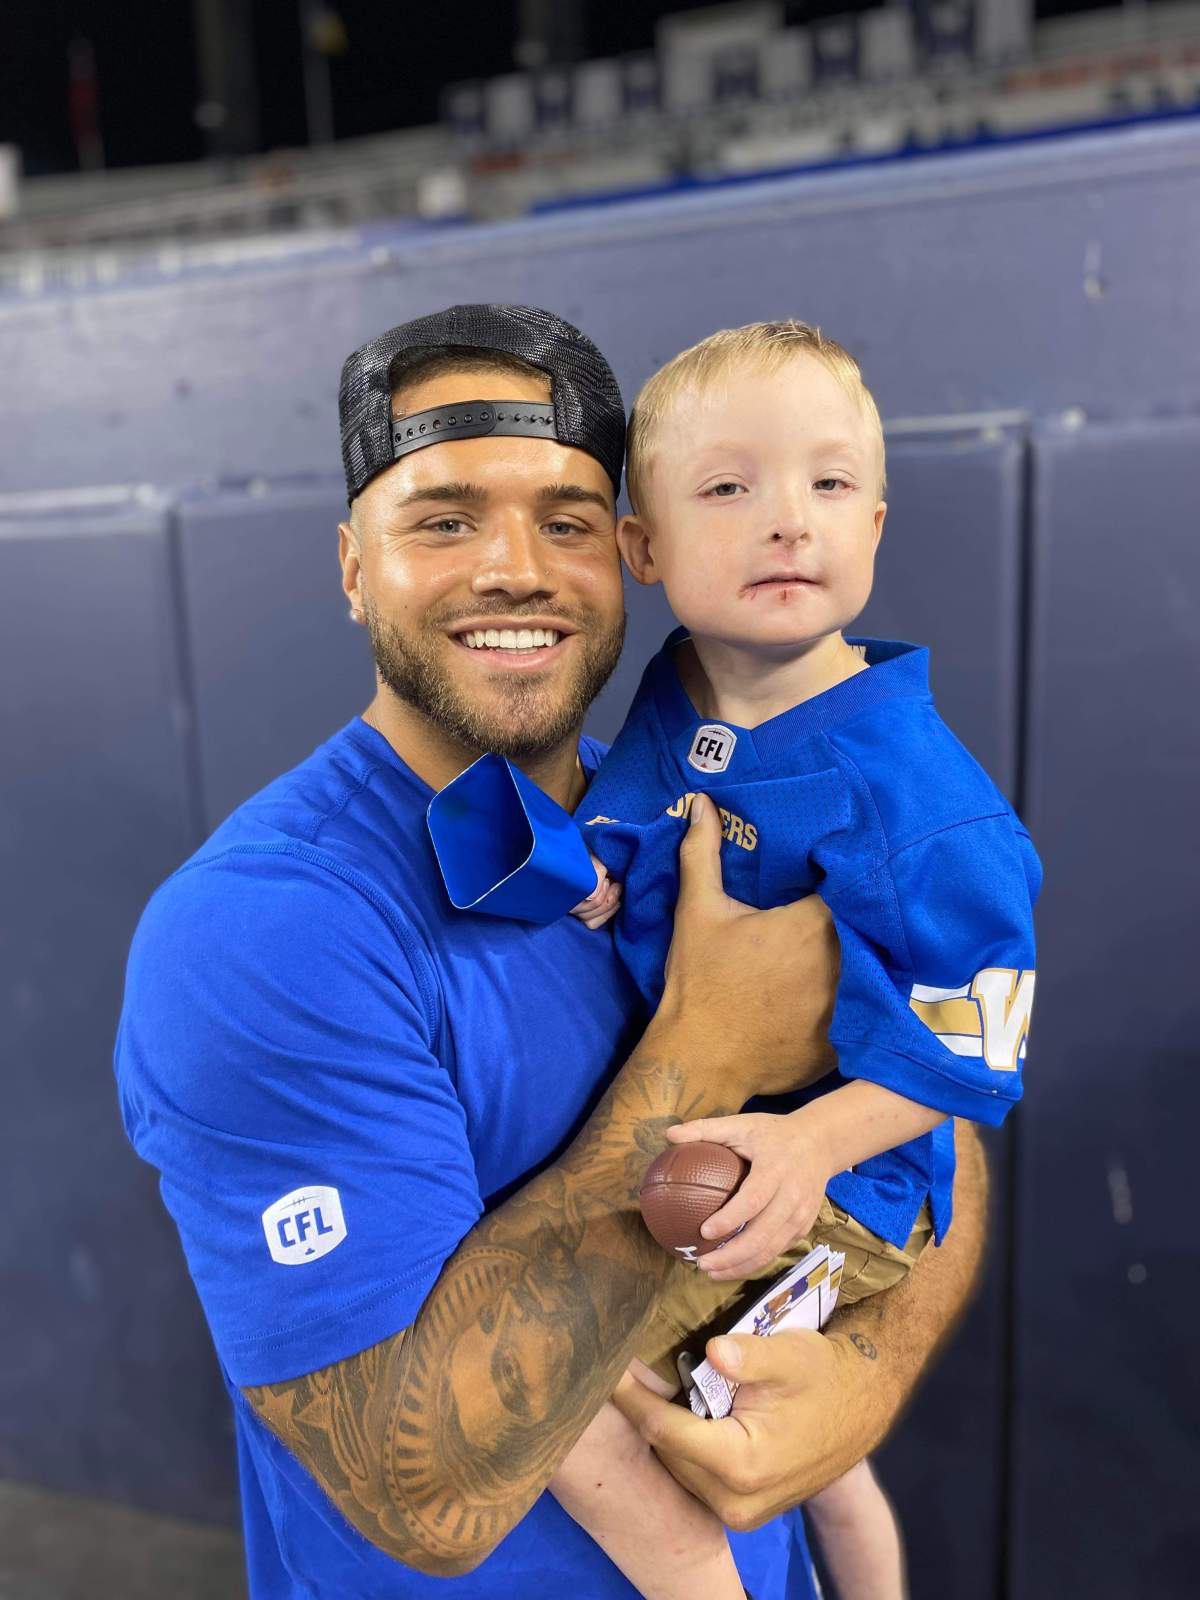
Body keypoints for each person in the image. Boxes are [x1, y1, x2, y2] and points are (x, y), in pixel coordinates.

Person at [114, 304, 989, 1599]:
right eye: (444, 518)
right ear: (354, 564)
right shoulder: (262, 934)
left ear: (632, 553)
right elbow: (426, 1489)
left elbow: (941, 1141)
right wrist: (709, 1046)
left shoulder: (716, 804)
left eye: (566, 520)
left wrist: (857, 1385)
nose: (514, 567)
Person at [544, 319, 1039, 1600]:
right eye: (729, 487)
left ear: (875, 523)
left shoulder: (928, 805)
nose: (787, 521)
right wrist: (603, 871)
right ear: (642, 548)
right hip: (720, 1133)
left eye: (828, 484)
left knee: (585, 1376)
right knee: (834, 1480)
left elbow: (969, 1055)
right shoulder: (676, 688)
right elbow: (641, 807)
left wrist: (816, 1144)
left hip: (847, 1187)